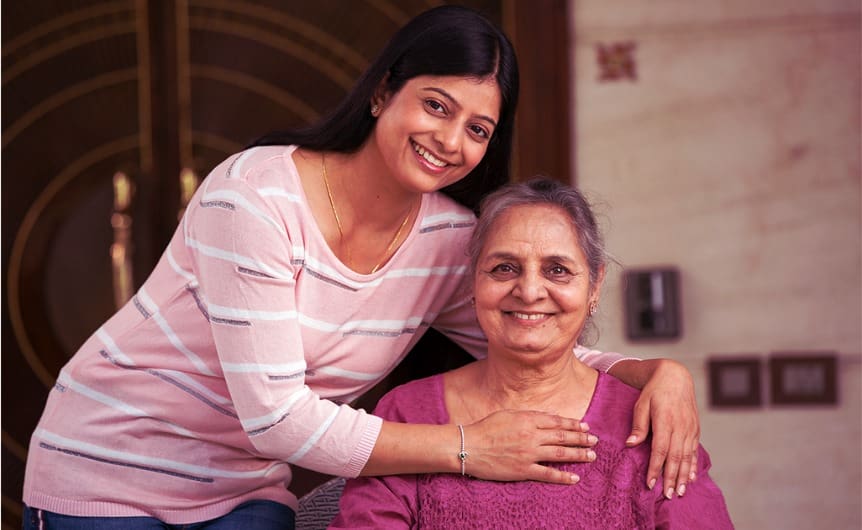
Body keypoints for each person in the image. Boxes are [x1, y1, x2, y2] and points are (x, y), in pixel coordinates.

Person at [22, 6, 699, 529]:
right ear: (382, 92)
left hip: (240, 489)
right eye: (436, 105)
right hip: (106, 467)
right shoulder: (254, 197)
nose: (450, 140)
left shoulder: (447, 242)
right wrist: (467, 447)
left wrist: (657, 374)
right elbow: (278, 421)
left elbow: (531, 329)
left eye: (478, 129)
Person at [331, 178, 734, 529]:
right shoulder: (407, 410)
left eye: (557, 269)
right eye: (504, 268)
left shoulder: (650, 422)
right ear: (473, 282)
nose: (529, 291)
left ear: (594, 286)